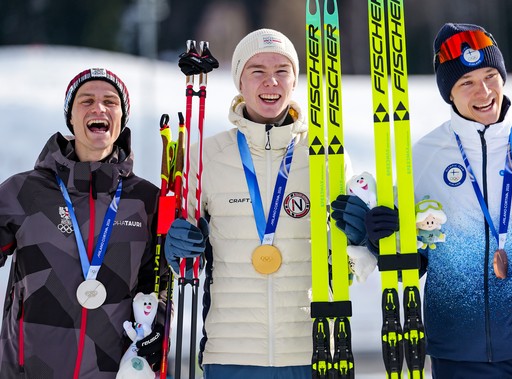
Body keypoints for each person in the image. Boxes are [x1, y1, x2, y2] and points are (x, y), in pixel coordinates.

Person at [332, 23, 512, 378]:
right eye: (466, 82)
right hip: (456, 358)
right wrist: (380, 237)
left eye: (491, 75)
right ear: (449, 93)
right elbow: (414, 259)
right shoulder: (423, 158)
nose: (483, 91)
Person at [164, 28, 359, 379]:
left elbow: (350, 259)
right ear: (240, 81)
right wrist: (173, 245)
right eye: (258, 72)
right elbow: (180, 256)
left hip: (309, 347)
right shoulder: (205, 155)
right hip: (230, 351)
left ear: (295, 81)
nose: (271, 82)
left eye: (282, 71)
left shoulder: (324, 153)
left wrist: (359, 234)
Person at [0, 68, 168, 378]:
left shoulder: (145, 200)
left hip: (113, 371)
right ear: (71, 119)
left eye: (110, 101)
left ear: (122, 118)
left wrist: (159, 329)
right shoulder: (25, 192)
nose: (99, 108)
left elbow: (159, 280)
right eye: (86, 100)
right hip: (30, 370)